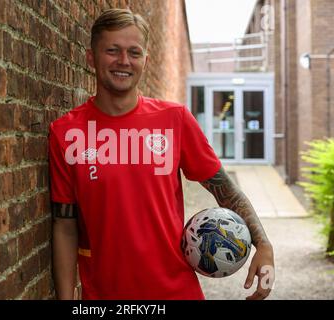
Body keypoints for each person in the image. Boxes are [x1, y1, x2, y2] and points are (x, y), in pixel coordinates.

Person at [49, 8, 275, 300]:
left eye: (134, 52)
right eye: (112, 51)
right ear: (91, 57)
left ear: (145, 60)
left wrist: (264, 245)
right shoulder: (66, 133)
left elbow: (225, 191)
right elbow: (65, 227)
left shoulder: (175, 120)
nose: (124, 61)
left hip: (177, 292)